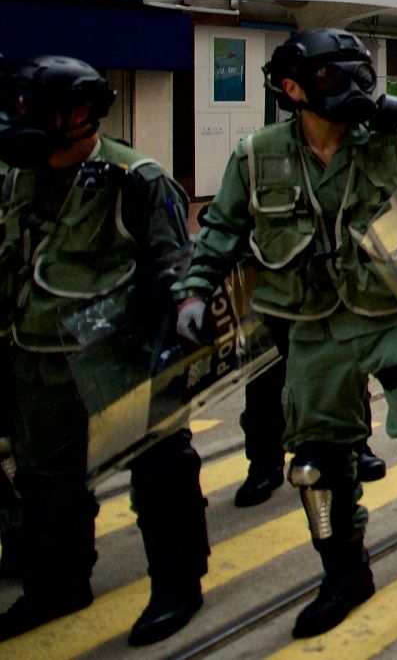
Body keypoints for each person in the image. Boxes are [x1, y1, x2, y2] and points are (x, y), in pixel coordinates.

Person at [175, 30, 397, 635]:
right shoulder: (256, 156)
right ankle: (344, 573)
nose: (354, 86)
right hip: (313, 329)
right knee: (316, 465)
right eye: (330, 76)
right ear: (291, 89)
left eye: (357, 71)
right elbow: (220, 233)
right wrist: (192, 292)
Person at [0, 56, 208, 643]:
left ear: (79, 115)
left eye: (30, 109)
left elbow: (179, 268)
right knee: (46, 483)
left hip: (120, 360)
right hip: (36, 361)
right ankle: (57, 586)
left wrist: (170, 326)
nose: (19, 120)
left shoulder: (135, 180)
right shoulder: (17, 177)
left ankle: (176, 587)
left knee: (160, 473)